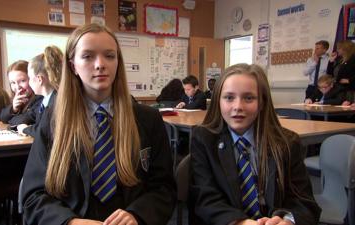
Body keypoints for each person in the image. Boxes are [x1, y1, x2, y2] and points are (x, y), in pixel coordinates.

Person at [21, 23, 176, 225]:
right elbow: (33, 196)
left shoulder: (147, 119)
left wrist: (137, 215)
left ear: (118, 63)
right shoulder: (53, 122)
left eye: (109, 56)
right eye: (87, 56)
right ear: (72, 65)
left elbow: (164, 188)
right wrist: (69, 222)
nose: (100, 64)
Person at [190, 63, 320, 225]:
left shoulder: (287, 143)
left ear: (262, 103)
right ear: (218, 101)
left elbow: (304, 201)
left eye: (249, 98)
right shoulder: (204, 139)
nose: (238, 107)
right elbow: (205, 199)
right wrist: (240, 222)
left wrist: (288, 220)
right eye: (229, 97)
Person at [16, 45, 63, 136]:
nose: (29, 82)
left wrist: (25, 129)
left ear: (39, 79)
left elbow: (45, 131)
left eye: (29, 78)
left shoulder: (57, 101)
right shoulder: (45, 100)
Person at [0, 60, 43, 125]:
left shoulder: (40, 97)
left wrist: (11, 120)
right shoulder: (17, 98)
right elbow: (3, 117)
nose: (17, 87)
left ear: (32, 79)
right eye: (13, 83)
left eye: (22, 81)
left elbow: (25, 120)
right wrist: (13, 109)